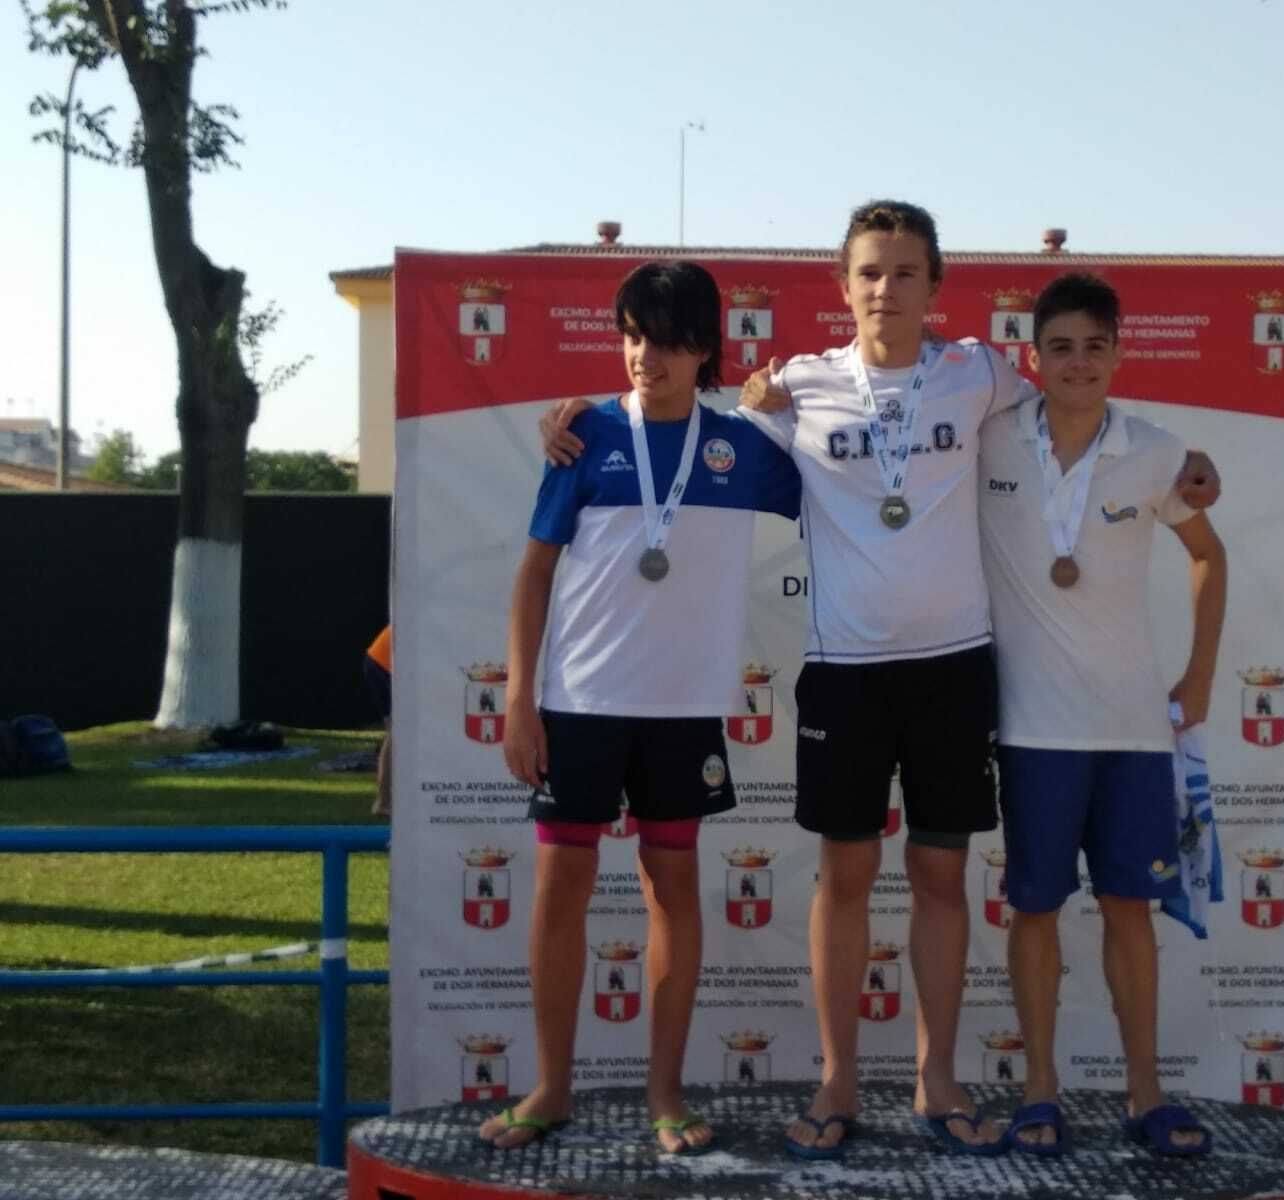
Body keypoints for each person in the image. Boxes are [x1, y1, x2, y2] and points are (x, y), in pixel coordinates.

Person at [541, 200, 1220, 1158]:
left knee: (941, 880)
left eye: (906, 273)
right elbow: (677, 426)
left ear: (938, 288)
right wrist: (572, 418)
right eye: (869, 272)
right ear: (842, 285)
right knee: (845, 878)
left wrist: (1185, 464)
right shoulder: (797, 389)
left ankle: (937, 1081)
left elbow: (1082, 409)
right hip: (845, 676)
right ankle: (838, 1081)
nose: (886, 290)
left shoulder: (981, 374)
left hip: (951, 674)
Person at [480, 261, 801, 1155]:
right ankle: (550, 1087)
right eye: (630, 336)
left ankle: (667, 1094)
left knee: (674, 896)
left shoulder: (743, 451)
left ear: (703, 350)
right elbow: (534, 571)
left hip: (684, 712)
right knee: (557, 898)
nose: (641, 356)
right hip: (578, 705)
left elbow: (844, 491)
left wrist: (783, 406)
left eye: (662, 340)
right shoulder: (582, 439)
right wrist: (520, 701)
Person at [979, 273, 1226, 1158]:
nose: (1078, 363)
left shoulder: (1159, 450)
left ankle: (1144, 1093)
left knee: (1130, 910)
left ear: (1119, 353)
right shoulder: (989, 438)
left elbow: (1208, 554)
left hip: (1131, 729)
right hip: (1031, 729)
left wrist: (1198, 676)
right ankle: (1039, 1091)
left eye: (1095, 346)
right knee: (1035, 911)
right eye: (1061, 347)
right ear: (1032, 357)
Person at [363, 625, 393, 818]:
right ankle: (382, 802)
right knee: (398, 733)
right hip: (382, 663)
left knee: (397, 733)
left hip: (381, 660)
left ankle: (386, 799)